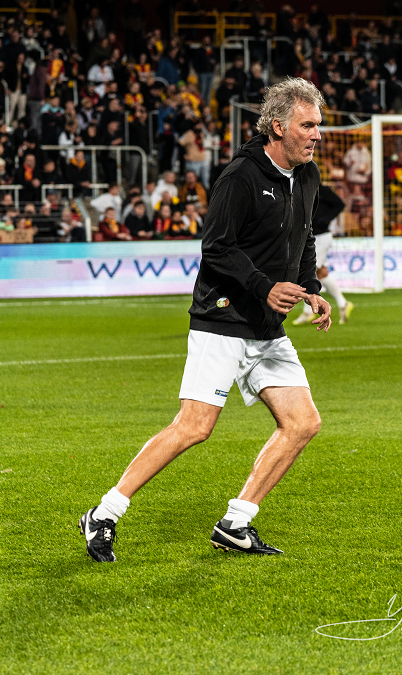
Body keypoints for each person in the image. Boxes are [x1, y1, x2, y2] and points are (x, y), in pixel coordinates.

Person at [79, 77, 331, 562]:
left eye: (318, 125)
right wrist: (264, 286)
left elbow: (304, 237)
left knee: (302, 422)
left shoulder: (308, 175)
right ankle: (105, 512)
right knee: (194, 426)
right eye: (308, 125)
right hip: (223, 319)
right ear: (278, 126)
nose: (316, 134)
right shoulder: (241, 176)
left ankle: (236, 523)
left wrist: (311, 289)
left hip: (265, 327)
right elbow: (216, 248)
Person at [293, 183, 353, 326]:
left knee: (309, 271)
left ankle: (308, 311)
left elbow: (339, 204)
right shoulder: (298, 188)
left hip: (320, 236)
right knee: (321, 273)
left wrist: (324, 219)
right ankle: (343, 303)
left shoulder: (320, 189)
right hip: (309, 236)